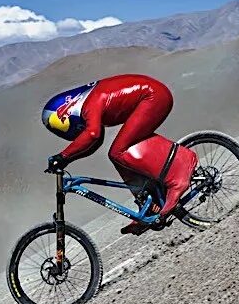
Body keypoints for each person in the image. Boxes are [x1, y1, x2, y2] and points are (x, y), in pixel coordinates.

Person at [41, 73, 196, 229]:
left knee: (118, 151)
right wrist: (66, 159)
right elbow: (94, 143)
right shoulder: (88, 102)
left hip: (153, 96)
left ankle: (178, 176)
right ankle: (149, 203)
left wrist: (63, 156)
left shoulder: (90, 103)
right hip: (153, 95)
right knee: (116, 154)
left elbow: (93, 134)